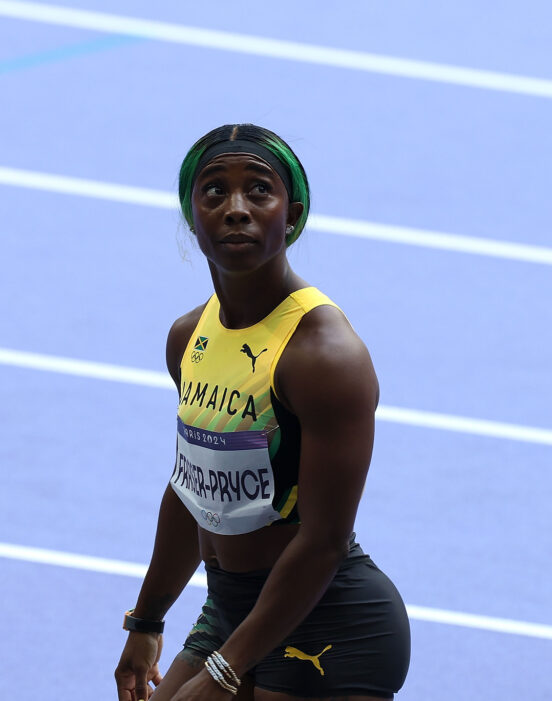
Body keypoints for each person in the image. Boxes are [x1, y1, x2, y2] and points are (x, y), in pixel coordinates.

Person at [114, 124, 411, 701]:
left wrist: (223, 674)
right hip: (231, 610)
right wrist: (147, 621)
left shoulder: (324, 356)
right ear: (190, 213)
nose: (236, 210)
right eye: (214, 192)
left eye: (258, 190)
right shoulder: (187, 337)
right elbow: (191, 490)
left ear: (292, 215)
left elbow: (325, 539)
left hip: (330, 625)